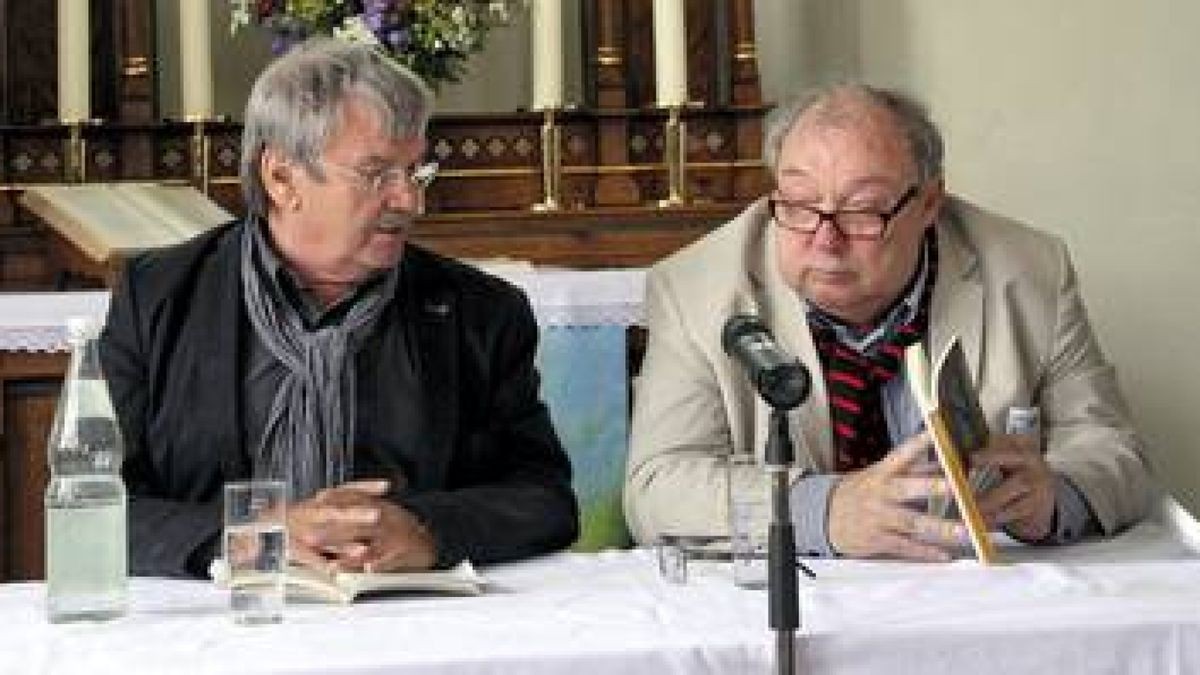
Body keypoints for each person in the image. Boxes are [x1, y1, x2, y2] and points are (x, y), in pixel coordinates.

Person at [101, 38, 578, 578]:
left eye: (415, 172)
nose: (409, 201)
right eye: (377, 173)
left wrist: (426, 530)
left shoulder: (480, 312)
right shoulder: (159, 296)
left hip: (413, 624)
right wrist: (245, 539)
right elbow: (96, 507)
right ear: (281, 177)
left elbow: (545, 499)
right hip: (221, 625)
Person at [625, 83, 1153, 561]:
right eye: (801, 204)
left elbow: (1115, 450)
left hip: (978, 600)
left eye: (862, 210)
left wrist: (1054, 496)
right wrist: (823, 510)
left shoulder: (1029, 271)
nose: (825, 240)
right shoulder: (695, 288)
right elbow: (657, 486)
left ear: (928, 203)